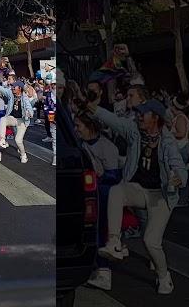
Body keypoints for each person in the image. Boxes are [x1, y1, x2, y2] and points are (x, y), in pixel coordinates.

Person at [89, 98, 186, 295]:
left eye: (144, 114)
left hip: (161, 196)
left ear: (155, 118)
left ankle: (164, 276)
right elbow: (113, 120)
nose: (139, 116)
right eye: (139, 113)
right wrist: (91, 107)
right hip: (139, 191)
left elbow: (179, 166)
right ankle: (114, 242)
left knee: (151, 241)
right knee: (117, 191)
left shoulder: (167, 142)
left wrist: (177, 178)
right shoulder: (134, 131)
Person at [76, 113, 122, 291]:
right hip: (89, 192)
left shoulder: (107, 147)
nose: (76, 129)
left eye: (79, 126)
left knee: (99, 230)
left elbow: (114, 176)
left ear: (90, 127)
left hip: (102, 194)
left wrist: (98, 176)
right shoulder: (81, 143)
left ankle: (104, 272)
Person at [0, 80, 33, 164]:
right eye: (13, 87)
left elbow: (29, 108)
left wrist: (29, 113)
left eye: (15, 87)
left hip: (22, 121)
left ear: (19, 88)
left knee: (18, 140)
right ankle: (2, 140)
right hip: (13, 118)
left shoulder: (24, 98)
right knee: (3, 119)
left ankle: (23, 154)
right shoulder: (11, 94)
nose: (13, 88)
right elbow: (3, 89)